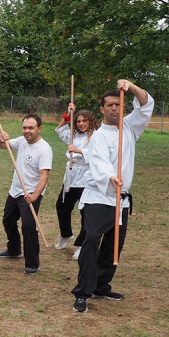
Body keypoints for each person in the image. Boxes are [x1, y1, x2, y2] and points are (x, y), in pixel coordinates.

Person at [70, 79, 154, 313]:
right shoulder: (98, 136)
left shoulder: (129, 127)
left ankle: (100, 285)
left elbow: (146, 104)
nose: (114, 108)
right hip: (99, 195)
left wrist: (132, 86)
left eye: (118, 104)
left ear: (123, 106)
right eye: (110, 105)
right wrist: (110, 178)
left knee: (113, 246)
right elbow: (97, 162)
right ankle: (82, 292)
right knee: (92, 240)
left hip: (122, 197)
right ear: (102, 109)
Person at [0, 114, 53, 274]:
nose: (27, 131)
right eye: (25, 128)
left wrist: (34, 195)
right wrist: (1, 139)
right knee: (8, 220)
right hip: (15, 190)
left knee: (28, 225)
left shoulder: (44, 149)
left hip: (31, 192)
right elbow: (1, 145)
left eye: (31, 128)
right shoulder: (21, 141)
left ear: (39, 129)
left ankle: (33, 264)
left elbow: (44, 176)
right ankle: (14, 250)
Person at [53, 105, 97, 259]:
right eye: (78, 121)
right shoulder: (75, 135)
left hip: (86, 177)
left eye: (84, 121)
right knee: (62, 206)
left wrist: (78, 151)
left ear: (90, 121)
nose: (81, 124)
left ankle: (82, 244)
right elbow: (59, 130)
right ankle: (66, 235)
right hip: (72, 175)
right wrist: (68, 115)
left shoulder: (96, 136)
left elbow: (96, 154)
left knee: (86, 213)